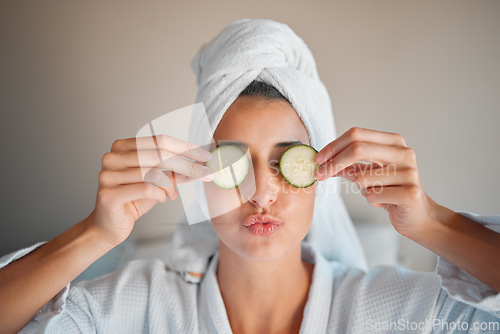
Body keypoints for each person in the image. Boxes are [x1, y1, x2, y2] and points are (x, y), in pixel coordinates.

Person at [1, 19, 499, 334]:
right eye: (230, 161)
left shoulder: (400, 313)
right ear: (199, 173)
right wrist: (95, 233)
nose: (262, 193)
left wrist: (434, 224)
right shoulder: (134, 308)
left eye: (290, 160)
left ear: (323, 173)